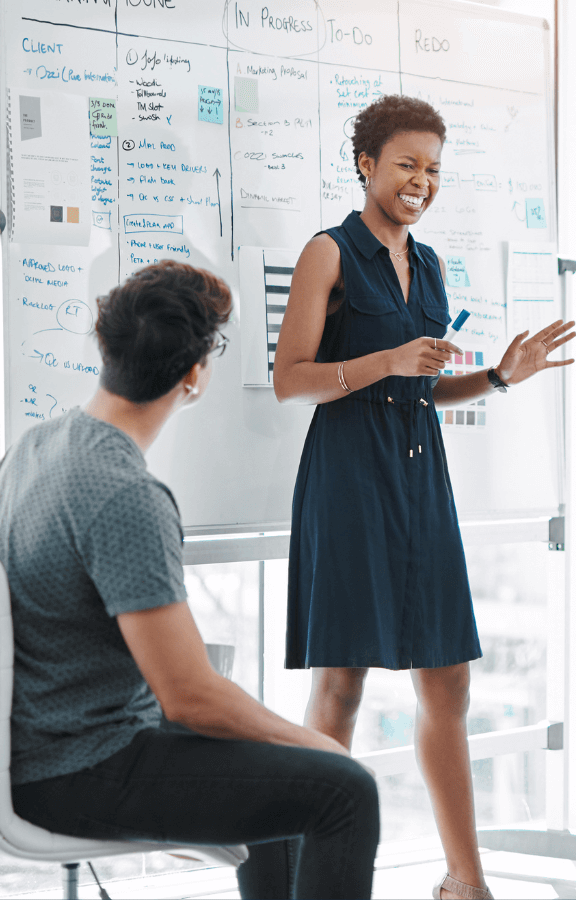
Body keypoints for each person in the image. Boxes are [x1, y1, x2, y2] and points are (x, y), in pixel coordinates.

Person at [273, 94, 575, 900]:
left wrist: (503, 376)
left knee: (449, 681)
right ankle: (315, 882)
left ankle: (465, 882)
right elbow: (289, 380)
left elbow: (426, 389)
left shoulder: (432, 264)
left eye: (434, 169)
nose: (421, 181)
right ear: (367, 165)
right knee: (341, 685)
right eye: (407, 163)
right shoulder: (328, 253)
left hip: (420, 478)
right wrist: (387, 362)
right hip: (348, 480)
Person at [0, 261, 379, 899]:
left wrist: (295, 746)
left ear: (107, 346)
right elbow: (189, 698)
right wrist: (325, 746)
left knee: (285, 775)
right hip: (82, 769)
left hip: (44, 746)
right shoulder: (125, 495)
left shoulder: (35, 446)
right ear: (194, 377)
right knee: (344, 789)